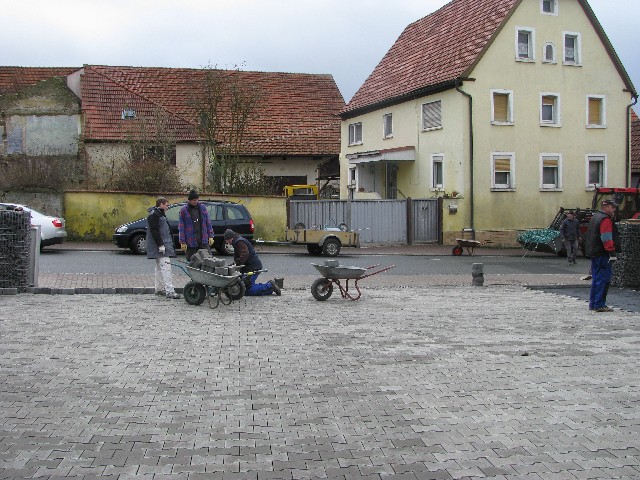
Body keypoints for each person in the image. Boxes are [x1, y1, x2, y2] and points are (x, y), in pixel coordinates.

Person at [585, 199, 619, 312]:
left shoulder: (595, 217)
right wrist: (612, 252)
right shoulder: (605, 219)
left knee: (596, 279)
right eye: (612, 207)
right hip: (602, 253)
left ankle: (593, 303)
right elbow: (606, 237)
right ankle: (599, 304)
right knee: (603, 279)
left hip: (594, 252)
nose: (614, 210)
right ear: (606, 207)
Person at [224, 229, 281, 296]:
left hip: (252, 268)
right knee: (243, 287)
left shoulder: (239, 242)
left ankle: (270, 286)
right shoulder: (238, 241)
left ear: (229, 239)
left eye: (226, 241)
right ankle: (269, 288)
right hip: (250, 267)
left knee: (246, 290)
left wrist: (236, 264)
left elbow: (244, 254)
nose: (227, 243)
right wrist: (234, 264)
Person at [147, 197, 181, 299]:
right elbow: (155, 231)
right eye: (166, 205)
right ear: (161, 204)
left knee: (159, 268)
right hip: (161, 246)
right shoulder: (155, 215)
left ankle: (159, 289)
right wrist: (160, 245)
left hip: (162, 245)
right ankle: (169, 291)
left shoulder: (158, 214)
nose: (167, 207)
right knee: (166, 267)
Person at [179, 190, 214, 261]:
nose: (195, 202)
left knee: (208, 260)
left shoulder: (203, 208)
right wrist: (182, 241)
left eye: (196, 200)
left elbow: (208, 222)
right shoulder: (184, 210)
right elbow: (181, 227)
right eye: (193, 200)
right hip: (191, 241)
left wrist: (210, 236)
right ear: (189, 200)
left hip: (203, 240)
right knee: (192, 261)